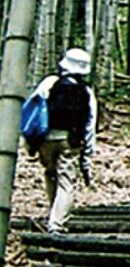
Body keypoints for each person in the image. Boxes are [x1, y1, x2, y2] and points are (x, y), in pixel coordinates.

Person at [29, 47, 97, 233]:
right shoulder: (87, 92)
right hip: (70, 141)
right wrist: (88, 153)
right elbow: (90, 125)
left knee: (51, 174)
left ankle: (53, 215)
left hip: (46, 139)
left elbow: (33, 110)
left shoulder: (49, 83)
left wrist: (30, 141)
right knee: (66, 182)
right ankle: (56, 223)